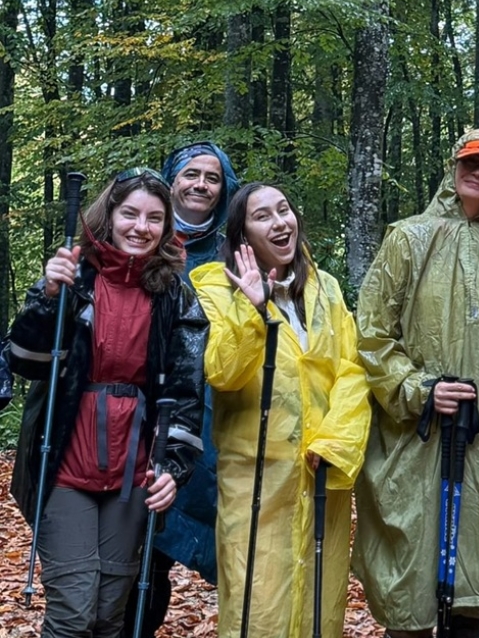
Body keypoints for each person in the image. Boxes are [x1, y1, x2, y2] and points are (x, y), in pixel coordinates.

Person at [6, 167, 208, 637]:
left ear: (166, 226)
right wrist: (46, 297)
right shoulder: (74, 279)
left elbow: (185, 391)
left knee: (109, 615)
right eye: (130, 214)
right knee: (73, 613)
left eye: (154, 218)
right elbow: (25, 360)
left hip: (133, 471)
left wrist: (173, 468)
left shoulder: (175, 296)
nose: (141, 227)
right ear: (109, 216)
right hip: (63, 461)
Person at [352, 127, 479, 638]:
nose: (478, 172)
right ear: (453, 166)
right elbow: (372, 336)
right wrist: (419, 389)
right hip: (415, 438)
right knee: (410, 586)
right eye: (470, 162)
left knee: (469, 584)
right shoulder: (407, 238)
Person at [191, 182, 371, 638]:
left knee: (318, 610)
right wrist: (251, 309)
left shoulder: (326, 290)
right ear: (242, 236)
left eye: (284, 210)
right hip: (256, 483)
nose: (279, 222)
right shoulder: (215, 289)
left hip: (321, 476)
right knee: (257, 610)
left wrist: (335, 442)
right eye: (262, 216)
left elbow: (352, 370)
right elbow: (223, 372)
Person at [122, 140, 240, 638]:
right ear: (172, 181)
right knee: (133, 554)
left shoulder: (236, 252)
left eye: (212, 178)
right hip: (133, 419)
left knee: (163, 546)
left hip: (206, 422)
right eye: (191, 174)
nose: (201, 185)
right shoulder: (141, 239)